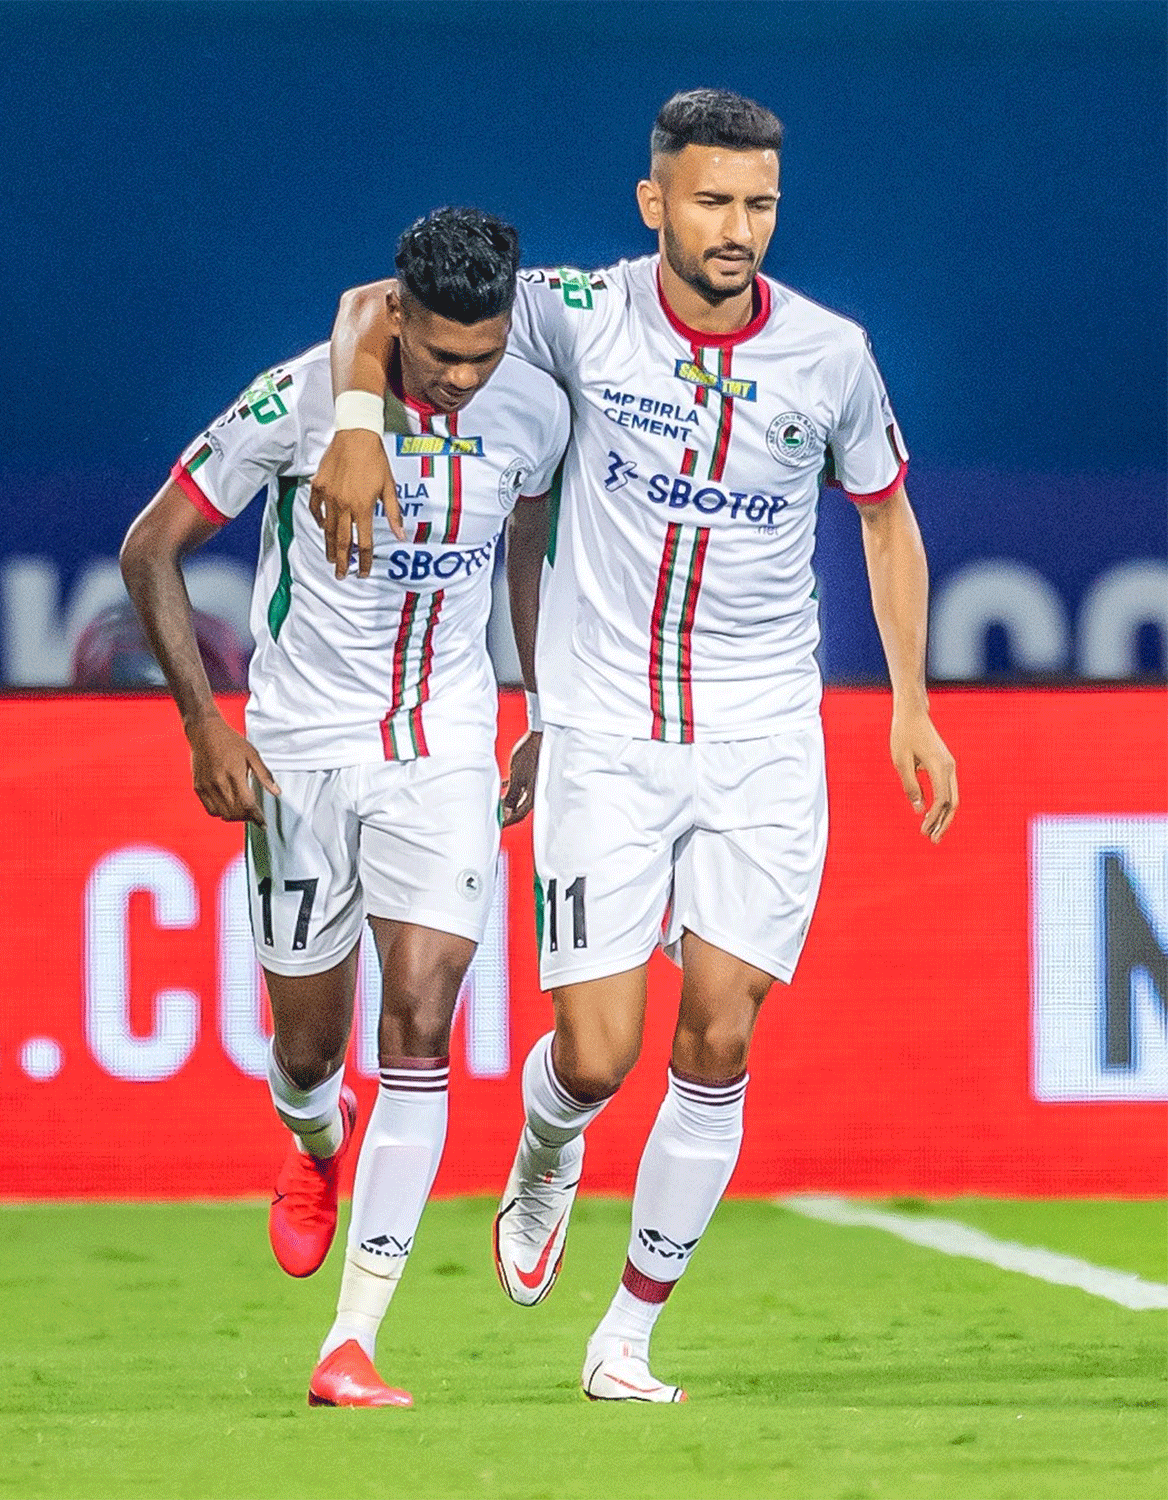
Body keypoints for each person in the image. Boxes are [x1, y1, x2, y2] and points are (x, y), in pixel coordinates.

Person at [312, 89, 959, 1403]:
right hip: (605, 735)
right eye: (712, 201)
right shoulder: (578, 312)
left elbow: (888, 519)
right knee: (598, 1054)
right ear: (654, 200)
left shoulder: (832, 356)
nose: (738, 230)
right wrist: (355, 425)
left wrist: (910, 702)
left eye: (760, 204)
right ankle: (550, 1149)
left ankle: (629, 1337)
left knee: (720, 1036)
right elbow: (377, 307)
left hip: (765, 736)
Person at [119, 207, 569, 1408]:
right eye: (442, 358)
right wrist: (204, 723)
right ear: (397, 318)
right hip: (302, 750)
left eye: (485, 355)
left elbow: (531, 538)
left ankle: (351, 1338)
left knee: (423, 1018)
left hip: (447, 749)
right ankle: (317, 1140)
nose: (466, 381)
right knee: (308, 1050)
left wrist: (538, 704)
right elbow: (148, 548)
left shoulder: (534, 408)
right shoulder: (298, 403)